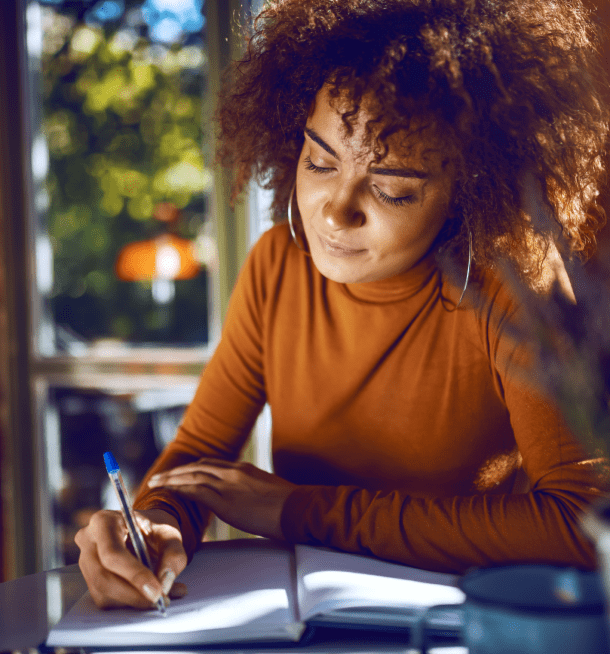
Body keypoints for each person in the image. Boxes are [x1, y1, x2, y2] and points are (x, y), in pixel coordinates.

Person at [76, 0, 610, 610]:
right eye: (319, 161)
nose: (335, 209)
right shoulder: (278, 264)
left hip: (474, 622)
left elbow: (581, 520)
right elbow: (199, 457)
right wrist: (154, 524)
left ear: (469, 194)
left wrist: (302, 510)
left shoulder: (516, 288)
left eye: (392, 189)